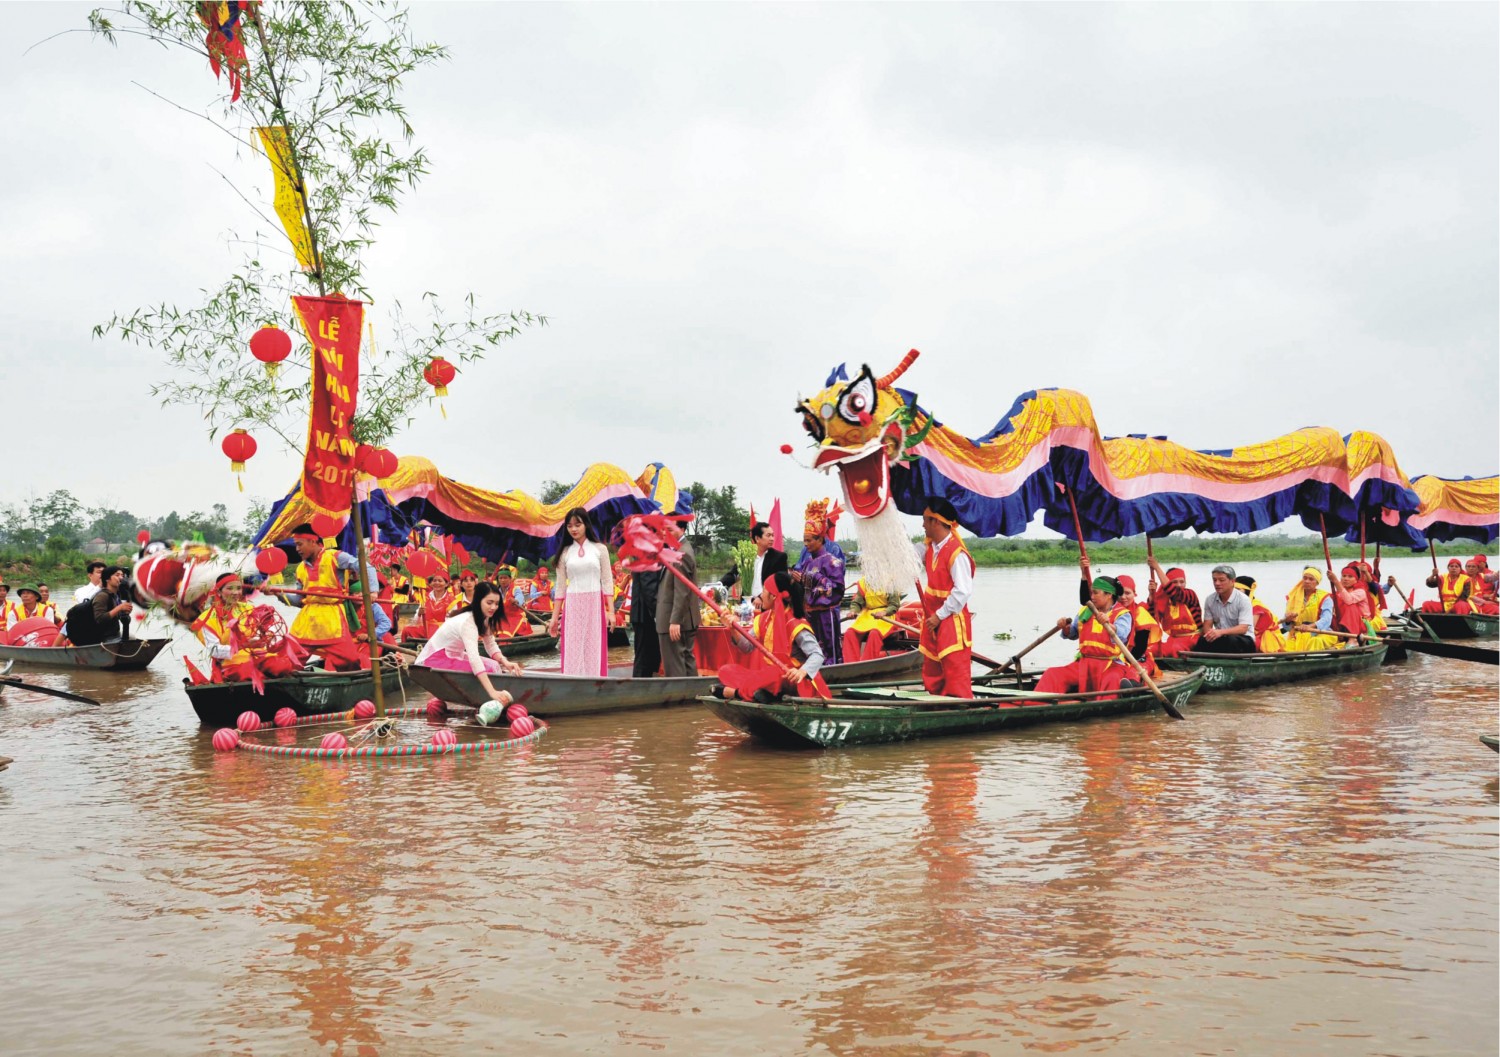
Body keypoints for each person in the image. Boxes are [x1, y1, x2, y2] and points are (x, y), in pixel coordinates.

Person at [714, 571, 831, 701]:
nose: (761, 595)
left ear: (774, 596)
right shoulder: (763, 619)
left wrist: (801, 672)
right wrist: (732, 629)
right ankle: (761, 693)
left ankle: (735, 693)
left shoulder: (795, 623)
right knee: (726, 670)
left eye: (764, 590)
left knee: (771, 674)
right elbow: (746, 647)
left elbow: (817, 655)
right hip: (772, 677)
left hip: (795, 681)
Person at [414, 582, 522, 706]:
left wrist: (505, 662)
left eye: (496, 603)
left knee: (494, 665)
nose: (493, 607)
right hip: (434, 660)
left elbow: (490, 645)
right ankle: (490, 699)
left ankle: (490, 699)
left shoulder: (484, 617)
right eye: (489, 603)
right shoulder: (468, 622)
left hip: (452, 655)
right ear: (478, 601)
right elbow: (474, 659)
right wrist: (492, 692)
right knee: (489, 668)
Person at [1035, 574, 1137, 697]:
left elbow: (1122, 634)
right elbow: (1072, 633)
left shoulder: (1122, 614)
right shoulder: (1086, 610)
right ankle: (1035, 702)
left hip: (1111, 665)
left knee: (1111, 680)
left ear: (1109, 595)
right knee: (1052, 674)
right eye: (1091, 593)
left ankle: (1104, 706)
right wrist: (1065, 628)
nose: (1091, 597)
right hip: (1084, 664)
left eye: (1095, 593)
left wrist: (1109, 624)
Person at [192, 573, 306, 682]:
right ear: (219, 592)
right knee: (248, 673)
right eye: (230, 588)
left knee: (283, 666)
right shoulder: (206, 619)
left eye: (238, 588)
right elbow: (215, 651)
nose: (235, 592)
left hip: (257, 655)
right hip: (231, 662)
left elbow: (266, 628)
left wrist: (267, 636)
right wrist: (243, 646)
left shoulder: (248, 608)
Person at [284, 523, 367, 671]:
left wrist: (372, 592)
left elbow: (365, 567)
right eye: (296, 545)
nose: (297, 549)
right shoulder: (300, 568)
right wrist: (278, 594)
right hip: (307, 622)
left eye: (299, 544)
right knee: (288, 664)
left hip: (331, 619)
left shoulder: (335, 557)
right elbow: (298, 601)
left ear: (313, 541)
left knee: (350, 661)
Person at [915, 498, 975, 698]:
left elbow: (963, 591)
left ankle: (959, 705)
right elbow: (909, 556)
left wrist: (939, 616)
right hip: (931, 616)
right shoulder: (929, 547)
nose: (922, 525)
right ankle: (936, 703)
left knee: (954, 669)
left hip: (950, 618)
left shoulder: (957, 553)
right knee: (932, 669)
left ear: (936, 521)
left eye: (925, 519)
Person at [546, 507, 614, 676]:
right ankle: (573, 681)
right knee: (573, 646)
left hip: (594, 603)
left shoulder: (600, 549)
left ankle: (595, 681)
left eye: (578, 524)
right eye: (569, 526)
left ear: (586, 525)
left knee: (593, 644)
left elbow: (607, 581)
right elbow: (560, 587)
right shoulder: (565, 553)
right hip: (573, 604)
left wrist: (611, 612)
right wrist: (554, 618)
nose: (573, 529)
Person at [792, 499, 847, 666]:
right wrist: (797, 580)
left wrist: (812, 579)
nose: (806, 544)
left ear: (820, 539)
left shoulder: (832, 562)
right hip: (810, 614)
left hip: (825, 615)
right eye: (804, 540)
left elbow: (836, 589)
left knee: (829, 651)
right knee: (812, 651)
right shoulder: (807, 562)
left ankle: (834, 672)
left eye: (809, 540)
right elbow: (804, 587)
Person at [654, 518, 699, 678]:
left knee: (675, 667)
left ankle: (681, 693)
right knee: (685, 661)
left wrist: (675, 621)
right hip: (675, 618)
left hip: (676, 620)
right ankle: (691, 692)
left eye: (670, 530)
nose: (665, 533)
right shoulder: (675, 550)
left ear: (682, 530)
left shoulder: (682, 553)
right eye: (664, 529)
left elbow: (682, 590)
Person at [1145, 556, 1202, 657]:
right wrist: (1151, 595)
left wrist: (1156, 567)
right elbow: (1153, 618)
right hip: (1173, 639)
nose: (1179, 585)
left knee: (1174, 649)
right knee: (1150, 649)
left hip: (1192, 638)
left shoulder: (1190, 594)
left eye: (1182, 582)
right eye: (1175, 582)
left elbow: (1174, 592)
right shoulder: (1164, 600)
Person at [1194, 564, 1256, 653]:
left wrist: (1220, 632)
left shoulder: (1243, 600)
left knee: (1230, 641)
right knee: (1202, 641)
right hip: (1222, 637)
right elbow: (1207, 626)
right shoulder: (1210, 599)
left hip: (1243, 639)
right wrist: (1210, 635)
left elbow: (1243, 629)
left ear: (1232, 581)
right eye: (1214, 580)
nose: (1217, 583)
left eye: (1221, 580)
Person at [65, 566, 133, 647]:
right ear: (107, 579)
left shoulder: (116, 595)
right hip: (102, 637)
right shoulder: (102, 596)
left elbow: (117, 616)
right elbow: (100, 619)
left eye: (122, 575)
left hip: (114, 634)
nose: (121, 578)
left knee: (133, 639)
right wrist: (119, 608)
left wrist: (124, 611)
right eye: (117, 575)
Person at [842, 578, 902, 661]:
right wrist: (853, 611)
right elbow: (857, 602)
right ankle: (850, 663)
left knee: (875, 633)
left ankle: (867, 662)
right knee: (850, 632)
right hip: (867, 615)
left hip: (886, 616)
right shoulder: (863, 582)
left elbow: (894, 605)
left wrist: (885, 612)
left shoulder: (890, 581)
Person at [1281, 567, 1340, 651]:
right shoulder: (1293, 597)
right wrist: (1287, 620)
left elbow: (1326, 620)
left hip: (1321, 633)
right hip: (1299, 634)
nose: (1307, 581)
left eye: (1311, 579)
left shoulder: (1325, 598)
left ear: (1317, 582)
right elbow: (1287, 628)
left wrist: (1309, 627)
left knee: (1315, 641)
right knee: (1283, 647)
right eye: (1305, 578)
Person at [1115, 574, 1162, 677]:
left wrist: (1124, 662)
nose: (1123, 597)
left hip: (1137, 658)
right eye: (1120, 593)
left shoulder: (1140, 612)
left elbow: (1140, 648)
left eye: (1127, 593)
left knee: (1133, 674)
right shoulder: (1108, 611)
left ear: (1134, 593)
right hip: (1113, 657)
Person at [1234, 574, 1287, 652]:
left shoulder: (1256, 606)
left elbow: (1248, 629)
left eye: (1238, 589)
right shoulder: (1238, 604)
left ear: (1247, 591)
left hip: (1263, 640)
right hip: (1248, 636)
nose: (1235, 592)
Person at [401, 570, 457, 642]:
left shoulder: (451, 600)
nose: (436, 583)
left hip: (441, 630)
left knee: (433, 632)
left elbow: (450, 623)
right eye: (434, 580)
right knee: (406, 630)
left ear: (446, 584)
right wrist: (419, 613)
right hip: (425, 628)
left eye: (440, 581)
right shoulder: (425, 597)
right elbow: (416, 621)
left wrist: (434, 628)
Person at [631, 562, 664, 677]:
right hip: (645, 614)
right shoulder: (648, 554)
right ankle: (640, 687)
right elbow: (649, 586)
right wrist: (659, 613)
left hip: (644, 613)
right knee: (644, 660)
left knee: (649, 658)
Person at [1330, 562, 1375, 636]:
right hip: (1341, 622)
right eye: (1344, 576)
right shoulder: (1340, 591)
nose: (1346, 579)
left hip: (1362, 624)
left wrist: (1336, 582)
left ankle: (1352, 637)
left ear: (1356, 580)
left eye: (1350, 576)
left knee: (1350, 606)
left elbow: (1348, 600)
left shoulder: (1360, 591)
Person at [747, 521, 788, 599]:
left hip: (766, 602)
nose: (772, 539)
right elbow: (733, 575)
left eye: (772, 535)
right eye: (768, 535)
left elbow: (780, 582)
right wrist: (722, 585)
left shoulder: (779, 557)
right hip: (747, 601)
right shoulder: (747, 556)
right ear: (757, 538)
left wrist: (761, 597)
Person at [491, 565, 534, 637]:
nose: (503, 580)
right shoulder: (497, 591)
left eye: (505, 578)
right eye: (500, 578)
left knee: (505, 632)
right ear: (498, 579)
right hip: (502, 617)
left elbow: (520, 598)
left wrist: (516, 601)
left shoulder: (516, 589)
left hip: (515, 617)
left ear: (510, 579)